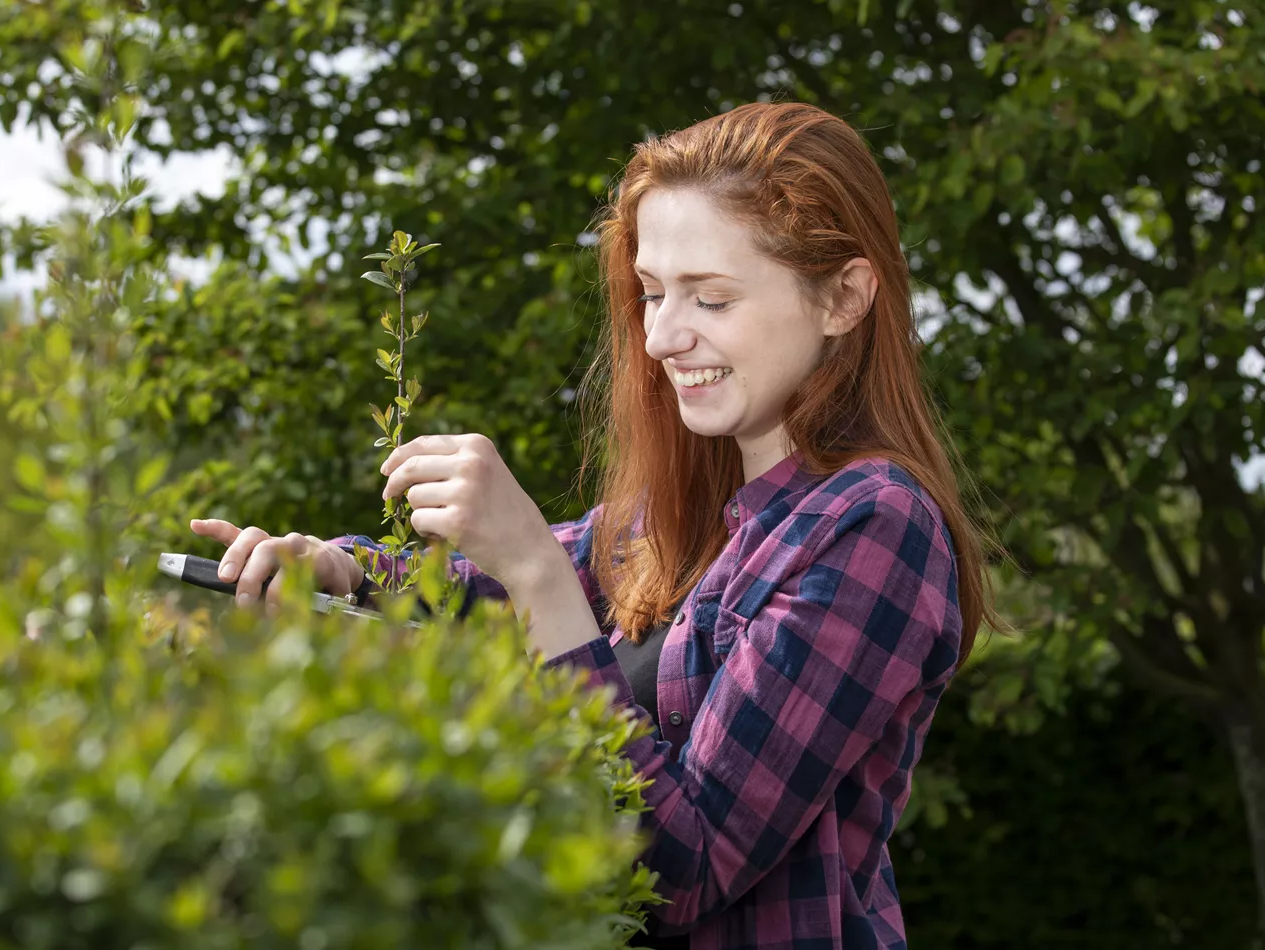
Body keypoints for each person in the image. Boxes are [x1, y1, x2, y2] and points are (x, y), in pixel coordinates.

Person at [190, 101, 996, 949]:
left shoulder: (873, 526)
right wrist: (336, 572)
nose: (661, 337)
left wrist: (538, 569)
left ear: (843, 297)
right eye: (651, 294)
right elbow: (466, 600)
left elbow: (684, 870)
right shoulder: (674, 518)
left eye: (711, 299)